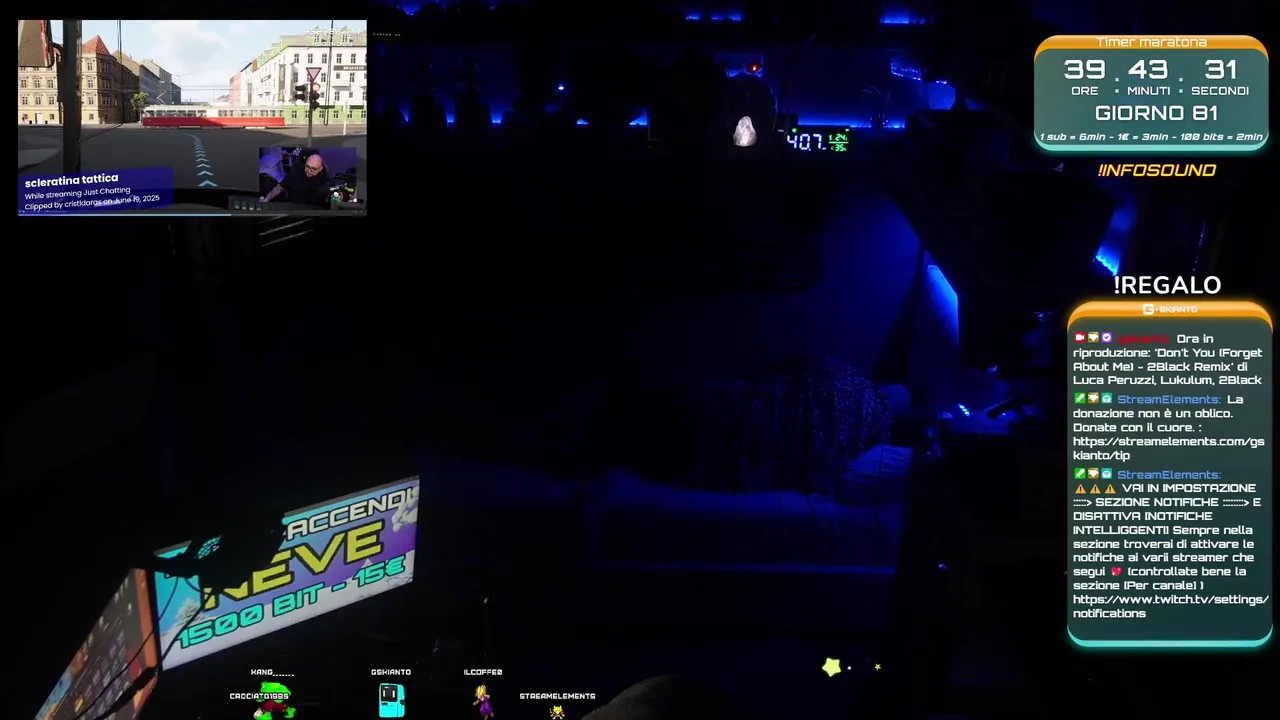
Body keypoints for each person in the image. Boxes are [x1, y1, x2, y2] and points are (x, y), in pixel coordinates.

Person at [260, 151, 332, 206]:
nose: (309, 170)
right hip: (293, 207)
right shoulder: (295, 173)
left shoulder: (326, 180)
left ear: (320, 168)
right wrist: (266, 199)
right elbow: (279, 187)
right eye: (307, 166)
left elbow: (333, 198)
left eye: (313, 168)